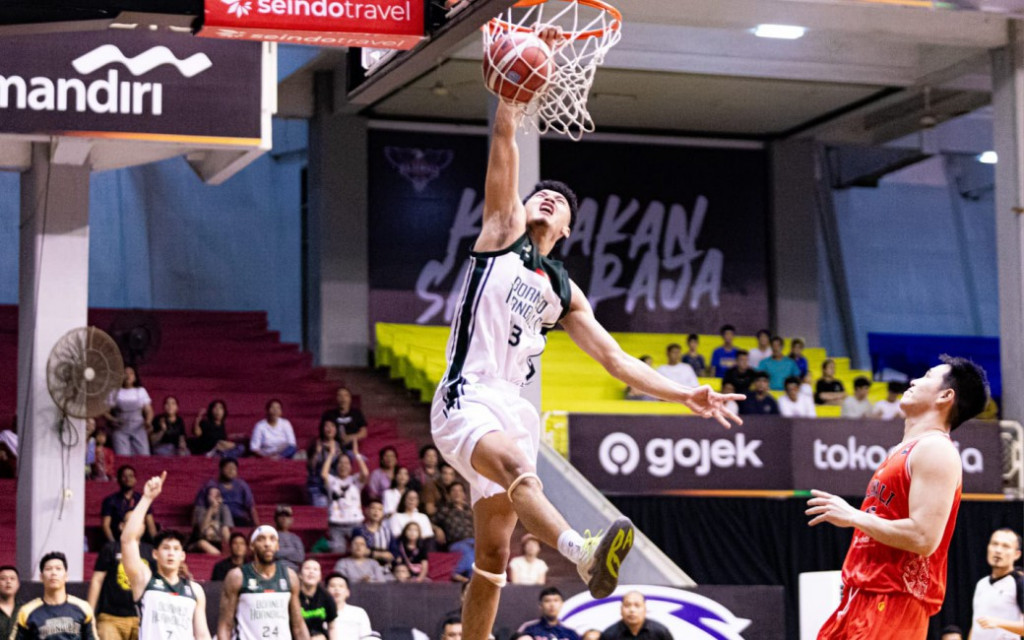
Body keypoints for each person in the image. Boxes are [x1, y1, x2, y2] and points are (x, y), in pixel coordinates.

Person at [429, 91, 741, 640]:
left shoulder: (566, 293)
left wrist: (682, 394)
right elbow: (503, 143)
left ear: (569, 229)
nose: (547, 199)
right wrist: (510, 94)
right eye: (540, 195)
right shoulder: (501, 234)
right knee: (515, 470)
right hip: (468, 393)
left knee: (494, 556)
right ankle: (583, 550)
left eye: (558, 201)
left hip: (514, 407)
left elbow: (615, 359)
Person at [806, 355, 989, 639]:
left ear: (946, 395)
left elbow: (923, 538)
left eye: (927, 376)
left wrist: (854, 516)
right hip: (859, 596)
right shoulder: (900, 451)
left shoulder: (936, 450)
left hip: (893, 601)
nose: (914, 381)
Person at [121, 472, 211, 640]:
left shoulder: (195, 590)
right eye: (166, 548)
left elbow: (202, 634)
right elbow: (128, 540)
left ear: (183, 556)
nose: (171, 553)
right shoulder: (144, 580)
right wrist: (147, 498)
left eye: (176, 549)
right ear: (155, 554)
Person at [216, 526, 310, 640]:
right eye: (261, 539)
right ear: (252, 546)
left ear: (278, 546)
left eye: (272, 539)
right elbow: (225, 625)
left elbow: (298, 626)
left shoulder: (290, 576)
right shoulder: (237, 576)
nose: (267, 543)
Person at [88, 510, 152, 640]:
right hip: (110, 617)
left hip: (142, 618)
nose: (136, 524)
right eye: (131, 521)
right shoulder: (110, 548)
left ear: (144, 527)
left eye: (140, 522)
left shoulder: (151, 551)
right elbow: (97, 580)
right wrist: (89, 614)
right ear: (122, 526)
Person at [15, 552, 96, 640]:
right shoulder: (27, 612)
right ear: (41, 577)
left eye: (58, 568)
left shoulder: (83, 608)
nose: (53, 573)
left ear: (66, 576)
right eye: (48, 569)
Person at [970, 528, 1024, 638]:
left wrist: (998, 623)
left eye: (1006, 546)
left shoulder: (1019, 582)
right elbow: (975, 625)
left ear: (1017, 554)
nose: (998, 550)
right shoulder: (981, 583)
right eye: (994, 544)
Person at [324, 441, 369, 554]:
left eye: (347, 463)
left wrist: (356, 454)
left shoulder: (355, 480)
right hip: (336, 524)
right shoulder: (332, 481)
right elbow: (323, 474)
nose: (343, 466)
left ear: (350, 467)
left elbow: (365, 473)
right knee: (338, 550)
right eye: (340, 463)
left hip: (355, 523)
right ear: (336, 466)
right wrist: (331, 455)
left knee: (360, 550)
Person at [195, 458, 259, 527]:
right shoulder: (211, 484)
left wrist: (257, 526)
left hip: (238, 518)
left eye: (234, 469)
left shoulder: (242, 485)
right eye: (228, 468)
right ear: (221, 469)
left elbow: (251, 507)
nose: (231, 471)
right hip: (218, 517)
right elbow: (199, 506)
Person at [104, 366, 153, 457]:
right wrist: (113, 419)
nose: (128, 376)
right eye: (125, 373)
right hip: (121, 427)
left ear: (135, 377)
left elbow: (149, 410)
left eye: (131, 373)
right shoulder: (115, 392)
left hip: (138, 427)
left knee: (143, 456)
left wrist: (148, 421)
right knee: (122, 456)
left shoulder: (141, 391)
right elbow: (105, 411)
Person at [101, 466, 156, 544]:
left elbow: (150, 524)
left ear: (135, 480)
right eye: (124, 476)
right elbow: (106, 526)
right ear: (118, 479)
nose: (128, 479)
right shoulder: (110, 500)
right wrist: (113, 544)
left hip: (140, 542)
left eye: (131, 476)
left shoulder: (143, 500)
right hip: (117, 540)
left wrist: (156, 544)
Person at [434, 483, 475, 581]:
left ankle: (470, 579)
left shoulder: (470, 510)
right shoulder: (445, 510)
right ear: (449, 495)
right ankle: (456, 573)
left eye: (460, 491)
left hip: (474, 541)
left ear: (464, 495)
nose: (457, 493)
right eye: (454, 491)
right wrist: (437, 529)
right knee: (467, 552)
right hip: (457, 542)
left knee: (480, 554)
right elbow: (429, 522)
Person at [598, 592, 670, 640]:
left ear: (645, 609)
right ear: (621, 609)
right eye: (627, 605)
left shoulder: (660, 632)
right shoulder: (609, 635)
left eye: (637, 605)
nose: (632, 610)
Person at [320, 388, 368, 454]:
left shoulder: (356, 413)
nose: (343, 398)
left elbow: (363, 432)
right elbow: (323, 433)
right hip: (333, 449)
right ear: (336, 398)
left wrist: (350, 438)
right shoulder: (329, 414)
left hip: (352, 450)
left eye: (346, 395)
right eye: (340, 395)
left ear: (350, 398)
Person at [324, 574, 372, 640]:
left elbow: (367, 636)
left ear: (348, 592)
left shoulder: (359, 612)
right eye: (332, 586)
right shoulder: (320, 613)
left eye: (341, 586)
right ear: (325, 592)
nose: (337, 589)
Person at [297, 560, 336, 640]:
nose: (311, 572)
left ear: (320, 576)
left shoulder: (327, 597)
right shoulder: (294, 595)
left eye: (315, 569)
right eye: (307, 568)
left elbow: (332, 627)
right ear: (300, 575)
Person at [306, 423, 341, 507]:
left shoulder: (340, 446)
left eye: (332, 426)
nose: (330, 429)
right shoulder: (316, 444)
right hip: (317, 485)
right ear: (322, 428)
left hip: (334, 484)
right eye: (327, 426)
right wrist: (317, 452)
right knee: (322, 505)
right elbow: (310, 467)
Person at [190, 487, 234, 555]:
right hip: (198, 540)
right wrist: (211, 510)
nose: (215, 497)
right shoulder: (200, 510)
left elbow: (225, 530)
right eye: (212, 495)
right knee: (202, 543)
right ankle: (220, 557)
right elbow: (202, 531)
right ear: (207, 497)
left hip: (216, 543)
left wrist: (231, 547)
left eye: (217, 495)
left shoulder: (224, 509)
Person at [352, 500, 394, 566]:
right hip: (363, 566)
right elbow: (359, 551)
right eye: (373, 508)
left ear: (383, 513)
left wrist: (370, 552)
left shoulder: (387, 532)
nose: (376, 511)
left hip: (385, 568)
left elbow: (392, 554)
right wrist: (381, 555)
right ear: (367, 511)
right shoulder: (359, 530)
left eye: (380, 509)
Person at [275, 506, 306, 572]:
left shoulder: (296, 538)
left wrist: (282, 552)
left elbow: (300, 557)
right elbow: (273, 554)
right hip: (275, 570)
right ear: (276, 519)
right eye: (281, 516)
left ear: (291, 520)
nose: (284, 518)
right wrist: (292, 550)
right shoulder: (271, 535)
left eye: (287, 516)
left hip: (293, 571)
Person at [0, 565, 21, 640]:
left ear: (18, 584)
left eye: (12, 578)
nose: (8, 581)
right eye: (3, 578)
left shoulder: (26, 609)